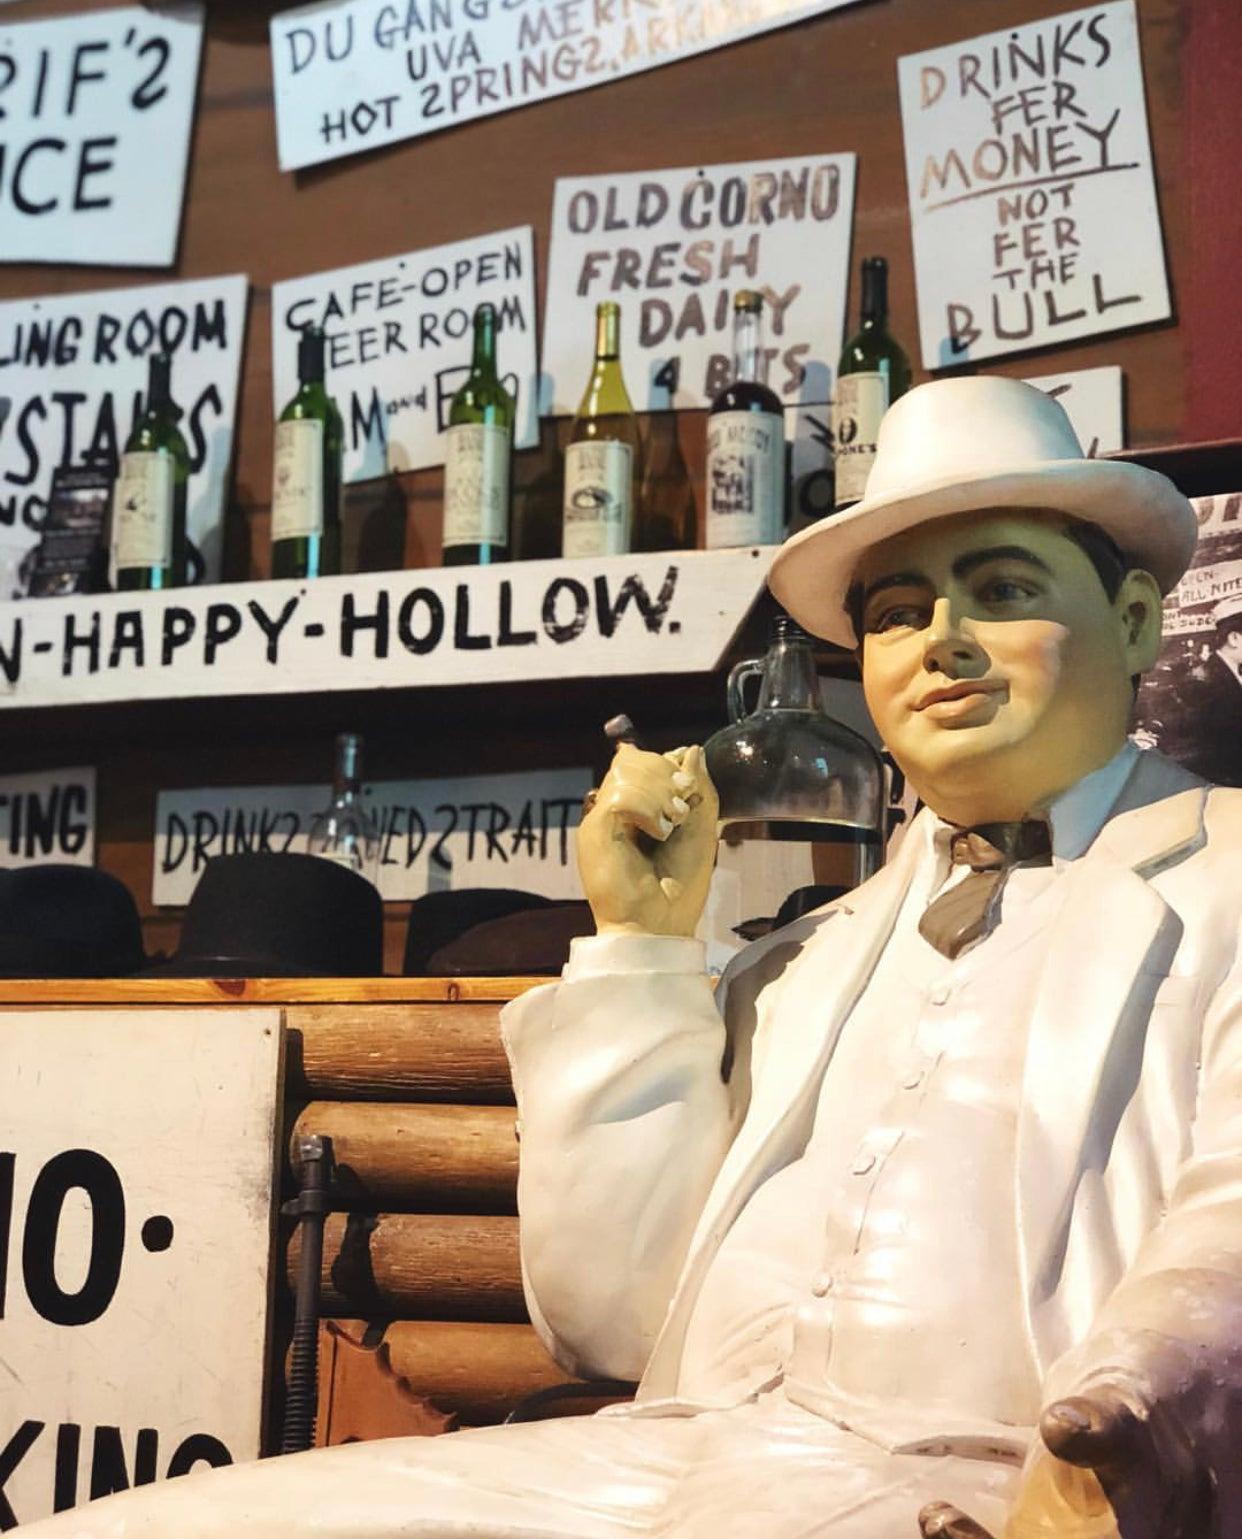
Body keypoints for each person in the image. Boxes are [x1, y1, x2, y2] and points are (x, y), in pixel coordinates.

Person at [24, 378, 1242, 1539]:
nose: (943, 642)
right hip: (657, 1461)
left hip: (984, 1477)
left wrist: (1131, 1416)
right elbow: (610, 1323)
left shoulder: (1223, 874)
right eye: (897, 613)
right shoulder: (809, 961)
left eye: (1001, 587)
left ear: (1134, 622)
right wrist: (643, 954)